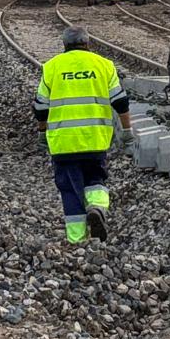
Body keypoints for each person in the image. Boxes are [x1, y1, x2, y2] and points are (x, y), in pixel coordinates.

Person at [33, 27, 131, 244]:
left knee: (69, 188)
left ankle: (77, 240)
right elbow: (121, 102)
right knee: (96, 179)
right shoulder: (104, 65)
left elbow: (41, 108)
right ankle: (97, 208)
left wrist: (42, 133)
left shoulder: (52, 67)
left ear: (64, 46)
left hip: (63, 143)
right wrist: (127, 132)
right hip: (95, 139)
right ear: (88, 44)